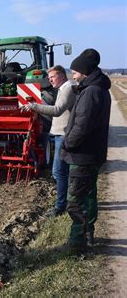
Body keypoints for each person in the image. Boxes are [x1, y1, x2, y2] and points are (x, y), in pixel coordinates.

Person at [61, 48, 111, 252]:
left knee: (74, 203)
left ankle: (76, 246)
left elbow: (82, 126)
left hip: (82, 155)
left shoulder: (90, 92)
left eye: (75, 71)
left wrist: (67, 143)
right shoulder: (99, 89)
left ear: (85, 71)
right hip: (92, 154)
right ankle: (89, 235)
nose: (72, 74)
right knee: (88, 196)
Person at [21, 65, 76, 217]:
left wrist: (34, 106)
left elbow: (57, 110)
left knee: (59, 171)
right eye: (49, 78)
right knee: (61, 171)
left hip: (63, 135)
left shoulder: (68, 88)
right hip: (59, 134)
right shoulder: (63, 88)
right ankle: (66, 201)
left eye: (52, 77)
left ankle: (61, 206)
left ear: (62, 76)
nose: (50, 80)